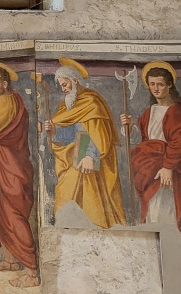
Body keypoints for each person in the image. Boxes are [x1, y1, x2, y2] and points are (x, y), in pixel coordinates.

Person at [119, 62, 181, 290]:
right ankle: (173, 268)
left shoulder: (180, 112)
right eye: (152, 84)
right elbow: (145, 140)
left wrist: (169, 167)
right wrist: (129, 128)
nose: (156, 88)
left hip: (172, 175)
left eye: (160, 84)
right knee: (155, 217)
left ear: (170, 85)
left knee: (172, 219)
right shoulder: (149, 112)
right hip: (151, 172)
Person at [0, 61, 39, 288]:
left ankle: (32, 273)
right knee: (2, 213)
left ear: (4, 83)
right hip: (6, 165)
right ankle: (11, 261)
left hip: (10, 168)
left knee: (13, 216)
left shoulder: (4, 102)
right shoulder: (14, 100)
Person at [44, 57, 127, 229]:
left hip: (87, 155)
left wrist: (90, 156)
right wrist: (54, 130)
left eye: (65, 84)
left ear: (75, 81)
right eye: (61, 86)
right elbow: (70, 133)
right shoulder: (66, 106)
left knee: (90, 202)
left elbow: (99, 133)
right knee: (65, 198)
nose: (63, 89)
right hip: (72, 156)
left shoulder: (91, 102)